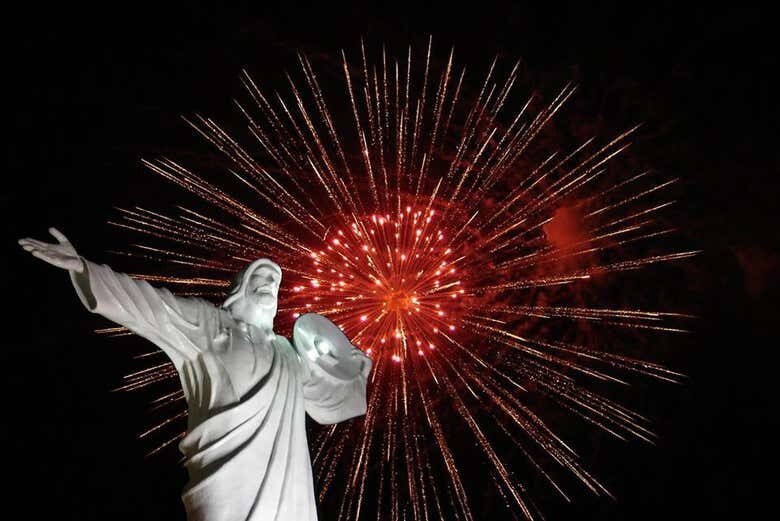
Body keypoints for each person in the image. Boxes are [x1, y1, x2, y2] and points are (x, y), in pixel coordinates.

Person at [18, 227, 372, 521]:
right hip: (222, 477)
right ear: (242, 286)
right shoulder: (210, 323)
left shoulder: (288, 354)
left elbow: (332, 402)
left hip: (285, 484)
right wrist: (84, 267)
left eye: (275, 282)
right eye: (260, 277)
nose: (269, 284)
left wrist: (353, 368)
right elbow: (152, 306)